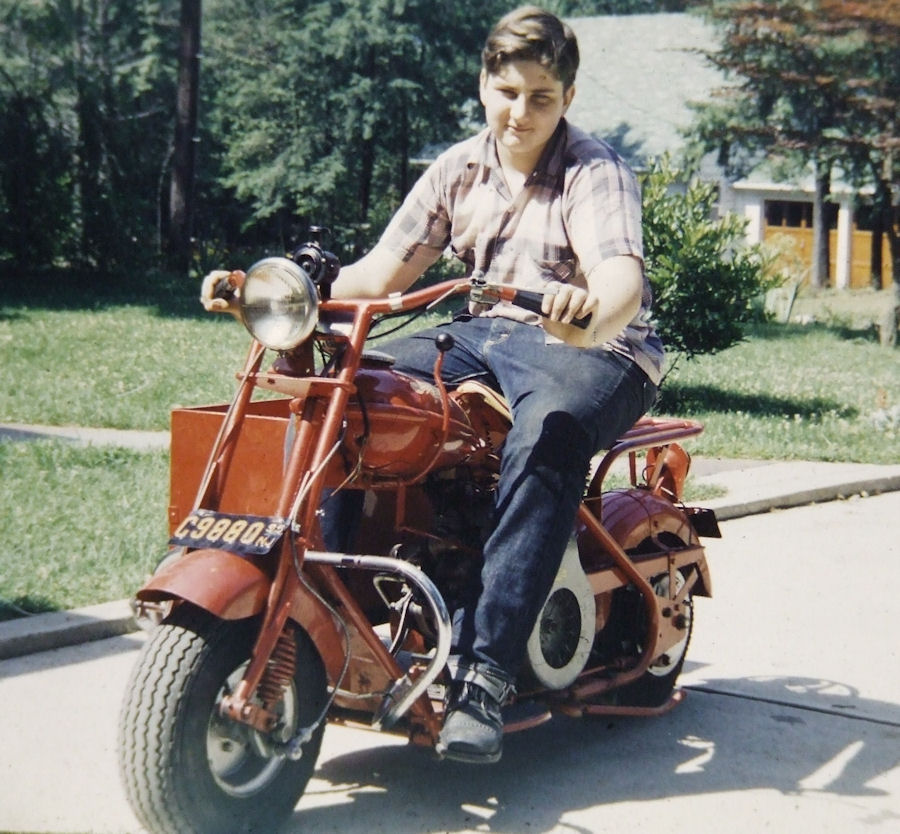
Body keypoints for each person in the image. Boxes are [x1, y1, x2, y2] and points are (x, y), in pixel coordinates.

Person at [202, 5, 664, 764]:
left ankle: (485, 675)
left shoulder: (594, 171)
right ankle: (331, 608)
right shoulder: (459, 167)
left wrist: (589, 311)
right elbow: (378, 274)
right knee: (353, 399)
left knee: (547, 439)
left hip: (587, 347)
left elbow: (620, 280)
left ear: (568, 99)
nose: (520, 113)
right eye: (507, 91)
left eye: (541, 97)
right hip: (481, 333)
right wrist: (273, 289)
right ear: (485, 83)